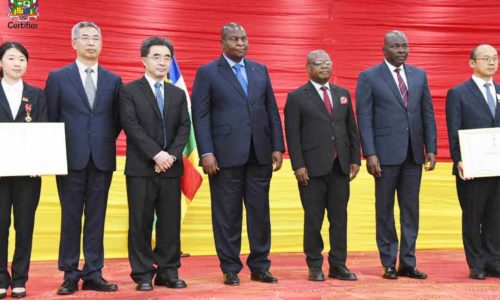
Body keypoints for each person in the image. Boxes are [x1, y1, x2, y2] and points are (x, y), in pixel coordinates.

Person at [191, 22, 285, 286]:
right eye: (234, 39)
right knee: (227, 214)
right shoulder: (208, 72)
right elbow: (200, 115)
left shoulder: (259, 69)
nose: (241, 43)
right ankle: (230, 267)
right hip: (223, 156)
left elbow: (271, 110)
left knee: (259, 212)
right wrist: (206, 151)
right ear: (222, 43)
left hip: (259, 154)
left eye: (244, 38)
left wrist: (277, 146)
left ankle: (260, 266)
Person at [45, 21, 121, 295]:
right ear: (74, 43)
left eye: (96, 38)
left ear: (101, 43)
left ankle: (93, 272)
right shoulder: (58, 77)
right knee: (71, 216)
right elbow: (51, 118)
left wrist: (98, 141)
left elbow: (116, 121)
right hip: (69, 159)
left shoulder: (114, 80)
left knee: (96, 217)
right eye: (85, 38)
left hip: (101, 158)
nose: (91, 43)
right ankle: (69, 273)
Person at [355, 30, 437, 280]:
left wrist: (431, 148)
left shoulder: (419, 75)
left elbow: (427, 114)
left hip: (414, 153)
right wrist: (369, 152)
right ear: (384, 50)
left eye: (405, 46)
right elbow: (365, 117)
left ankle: (408, 262)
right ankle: (388, 262)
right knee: (385, 210)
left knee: (411, 210)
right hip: (384, 155)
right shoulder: (369, 77)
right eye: (396, 46)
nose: (402, 50)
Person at [119, 37, 190, 291]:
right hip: (141, 167)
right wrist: (156, 155)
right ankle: (142, 274)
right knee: (140, 221)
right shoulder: (129, 91)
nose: (162, 62)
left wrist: (170, 155)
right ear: (144, 60)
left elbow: (184, 127)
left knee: (170, 222)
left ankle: (168, 271)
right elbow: (131, 127)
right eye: (156, 57)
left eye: (167, 57)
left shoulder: (178, 93)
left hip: (171, 168)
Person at [284, 50, 361, 282]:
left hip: (340, 167)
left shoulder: (342, 94)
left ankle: (338, 264)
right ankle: (315, 265)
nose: (324, 66)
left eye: (328, 62)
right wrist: (298, 165)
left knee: (339, 219)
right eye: (318, 63)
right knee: (314, 219)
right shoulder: (297, 97)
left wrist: (355, 159)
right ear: (307, 68)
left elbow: (351, 130)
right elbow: (293, 135)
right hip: (311, 169)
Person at [446, 44, 500, 280]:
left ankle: (493, 260)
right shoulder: (458, 93)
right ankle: (476, 263)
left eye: (495, 58)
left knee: (495, 216)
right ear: (472, 63)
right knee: (473, 215)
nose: (491, 63)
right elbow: (453, 128)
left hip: (497, 167)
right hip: (472, 166)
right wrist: (459, 159)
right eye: (485, 58)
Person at [0, 41, 47, 299]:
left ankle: (19, 278)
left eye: (22, 59)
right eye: (12, 58)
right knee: (0, 225)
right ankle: (0, 277)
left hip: (28, 173)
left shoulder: (38, 94)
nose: (17, 63)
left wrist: (38, 162)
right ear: (1, 63)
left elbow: (44, 129)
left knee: (24, 225)